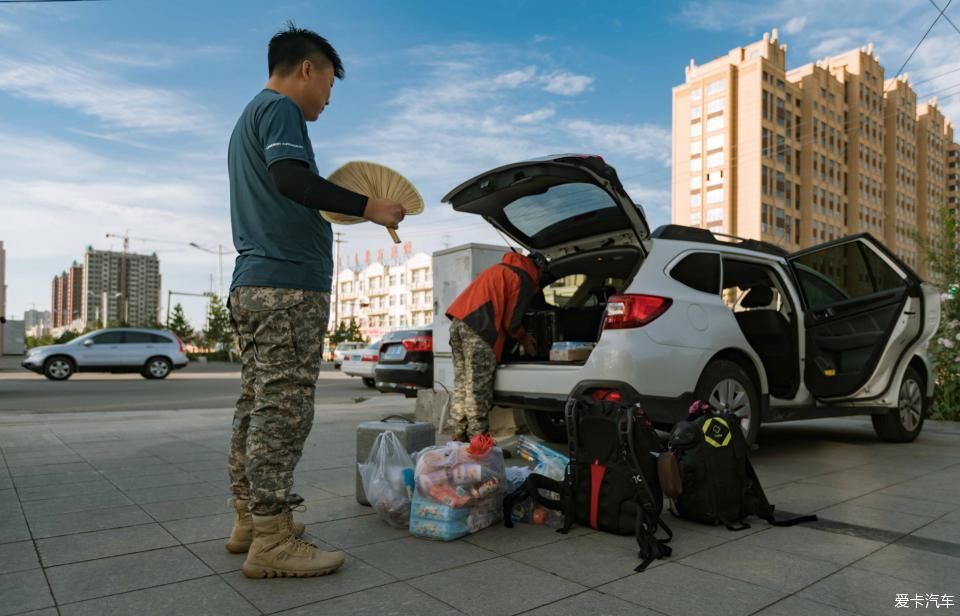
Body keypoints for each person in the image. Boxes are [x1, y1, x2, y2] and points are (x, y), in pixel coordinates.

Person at [225, 23, 404, 580]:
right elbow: (291, 180)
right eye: (329, 83)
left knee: (257, 406)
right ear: (308, 68)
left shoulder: (246, 118)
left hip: (255, 283)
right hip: (285, 287)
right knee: (283, 411)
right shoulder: (280, 111)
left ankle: (250, 521)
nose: (328, 97)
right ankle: (273, 539)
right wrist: (369, 207)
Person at [445, 251, 548, 441]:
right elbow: (512, 323)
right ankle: (479, 442)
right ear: (538, 267)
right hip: (480, 328)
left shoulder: (500, 269)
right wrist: (525, 338)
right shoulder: (523, 276)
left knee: (462, 382)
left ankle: (458, 434)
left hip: (458, 323)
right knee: (478, 387)